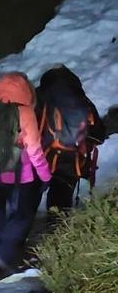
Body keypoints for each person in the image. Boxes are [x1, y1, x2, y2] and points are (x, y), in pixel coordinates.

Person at [0, 72, 52, 280]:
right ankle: (0, 259)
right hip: (21, 176)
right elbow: (35, 151)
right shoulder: (26, 113)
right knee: (22, 216)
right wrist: (45, 176)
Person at [34, 65, 106, 219]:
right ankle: (58, 232)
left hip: (42, 156)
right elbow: (99, 134)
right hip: (72, 160)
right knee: (61, 200)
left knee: (29, 199)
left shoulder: (39, 95)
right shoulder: (80, 98)